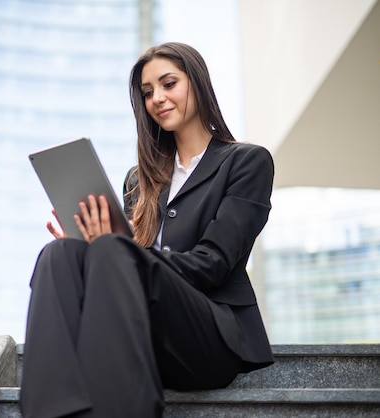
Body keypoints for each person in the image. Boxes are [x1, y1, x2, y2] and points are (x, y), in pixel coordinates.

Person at [20, 42, 275, 418]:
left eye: (169, 83)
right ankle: (50, 412)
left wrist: (118, 250)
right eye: (147, 92)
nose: (157, 98)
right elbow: (127, 270)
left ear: (198, 84)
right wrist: (88, 252)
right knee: (60, 254)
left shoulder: (247, 162)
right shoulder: (138, 181)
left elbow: (214, 263)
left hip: (209, 336)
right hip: (138, 332)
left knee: (111, 249)